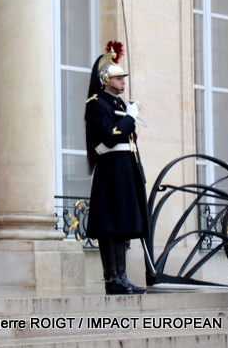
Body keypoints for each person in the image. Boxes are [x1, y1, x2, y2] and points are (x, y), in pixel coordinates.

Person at [84, 41, 148, 295]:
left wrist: (129, 117)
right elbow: (111, 137)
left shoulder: (120, 105)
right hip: (111, 170)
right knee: (110, 225)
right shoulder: (97, 103)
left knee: (122, 224)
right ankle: (112, 278)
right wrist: (131, 118)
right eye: (119, 78)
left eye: (123, 77)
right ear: (106, 80)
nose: (123, 82)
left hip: (125, 169)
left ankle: (122, 276)